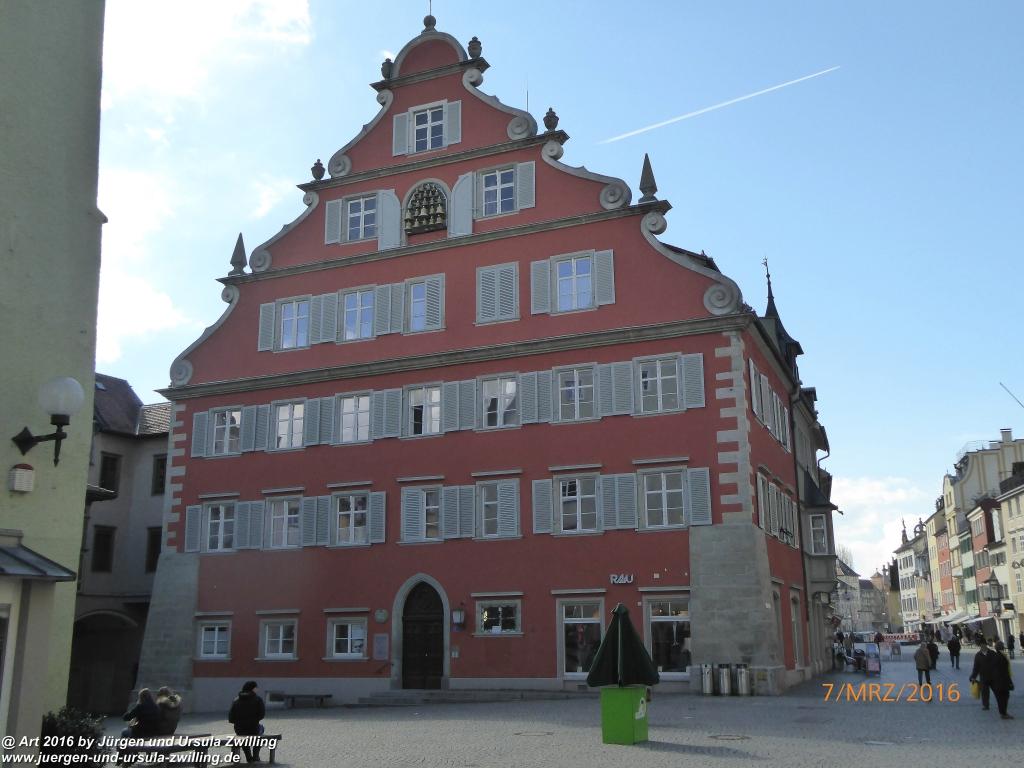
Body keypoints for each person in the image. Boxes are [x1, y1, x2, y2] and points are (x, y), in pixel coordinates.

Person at [228, 680, 266, 763]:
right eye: (256, 688)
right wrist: (254, 720)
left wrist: (240, 722)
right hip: (254, 728)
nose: (257, 689)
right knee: (261, 729)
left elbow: (230, 718)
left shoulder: (236, 700)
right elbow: (262, 715)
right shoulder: (258, 699)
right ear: (252, 689)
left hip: (239, 730)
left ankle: (248, 756)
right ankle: (256, 756)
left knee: (242, 736)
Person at [988, 641, 1014, 719]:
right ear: (1001, 647)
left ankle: (1002, 712)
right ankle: (1003, 713)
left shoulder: (995, 656)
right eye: (1002, 645)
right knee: (1004, 696)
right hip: (1002, 681)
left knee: (1000, 697)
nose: (1003, 646)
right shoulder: (1002, 657)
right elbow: (1005, 671)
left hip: (996, 681)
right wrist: (1009, 682)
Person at [970, 637, 994, 710]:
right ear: (980, 646)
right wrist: (973, 676)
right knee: (984, 692)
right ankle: (985, 705)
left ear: (986, 645)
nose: (983, 646)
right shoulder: (978, 655)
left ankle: (1002, 703)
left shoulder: (992, 653)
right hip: (983, 676)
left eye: (984, 645)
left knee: (997, 691)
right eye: (981, 645)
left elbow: (997, 664)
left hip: (993, 676)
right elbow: (976, 667)